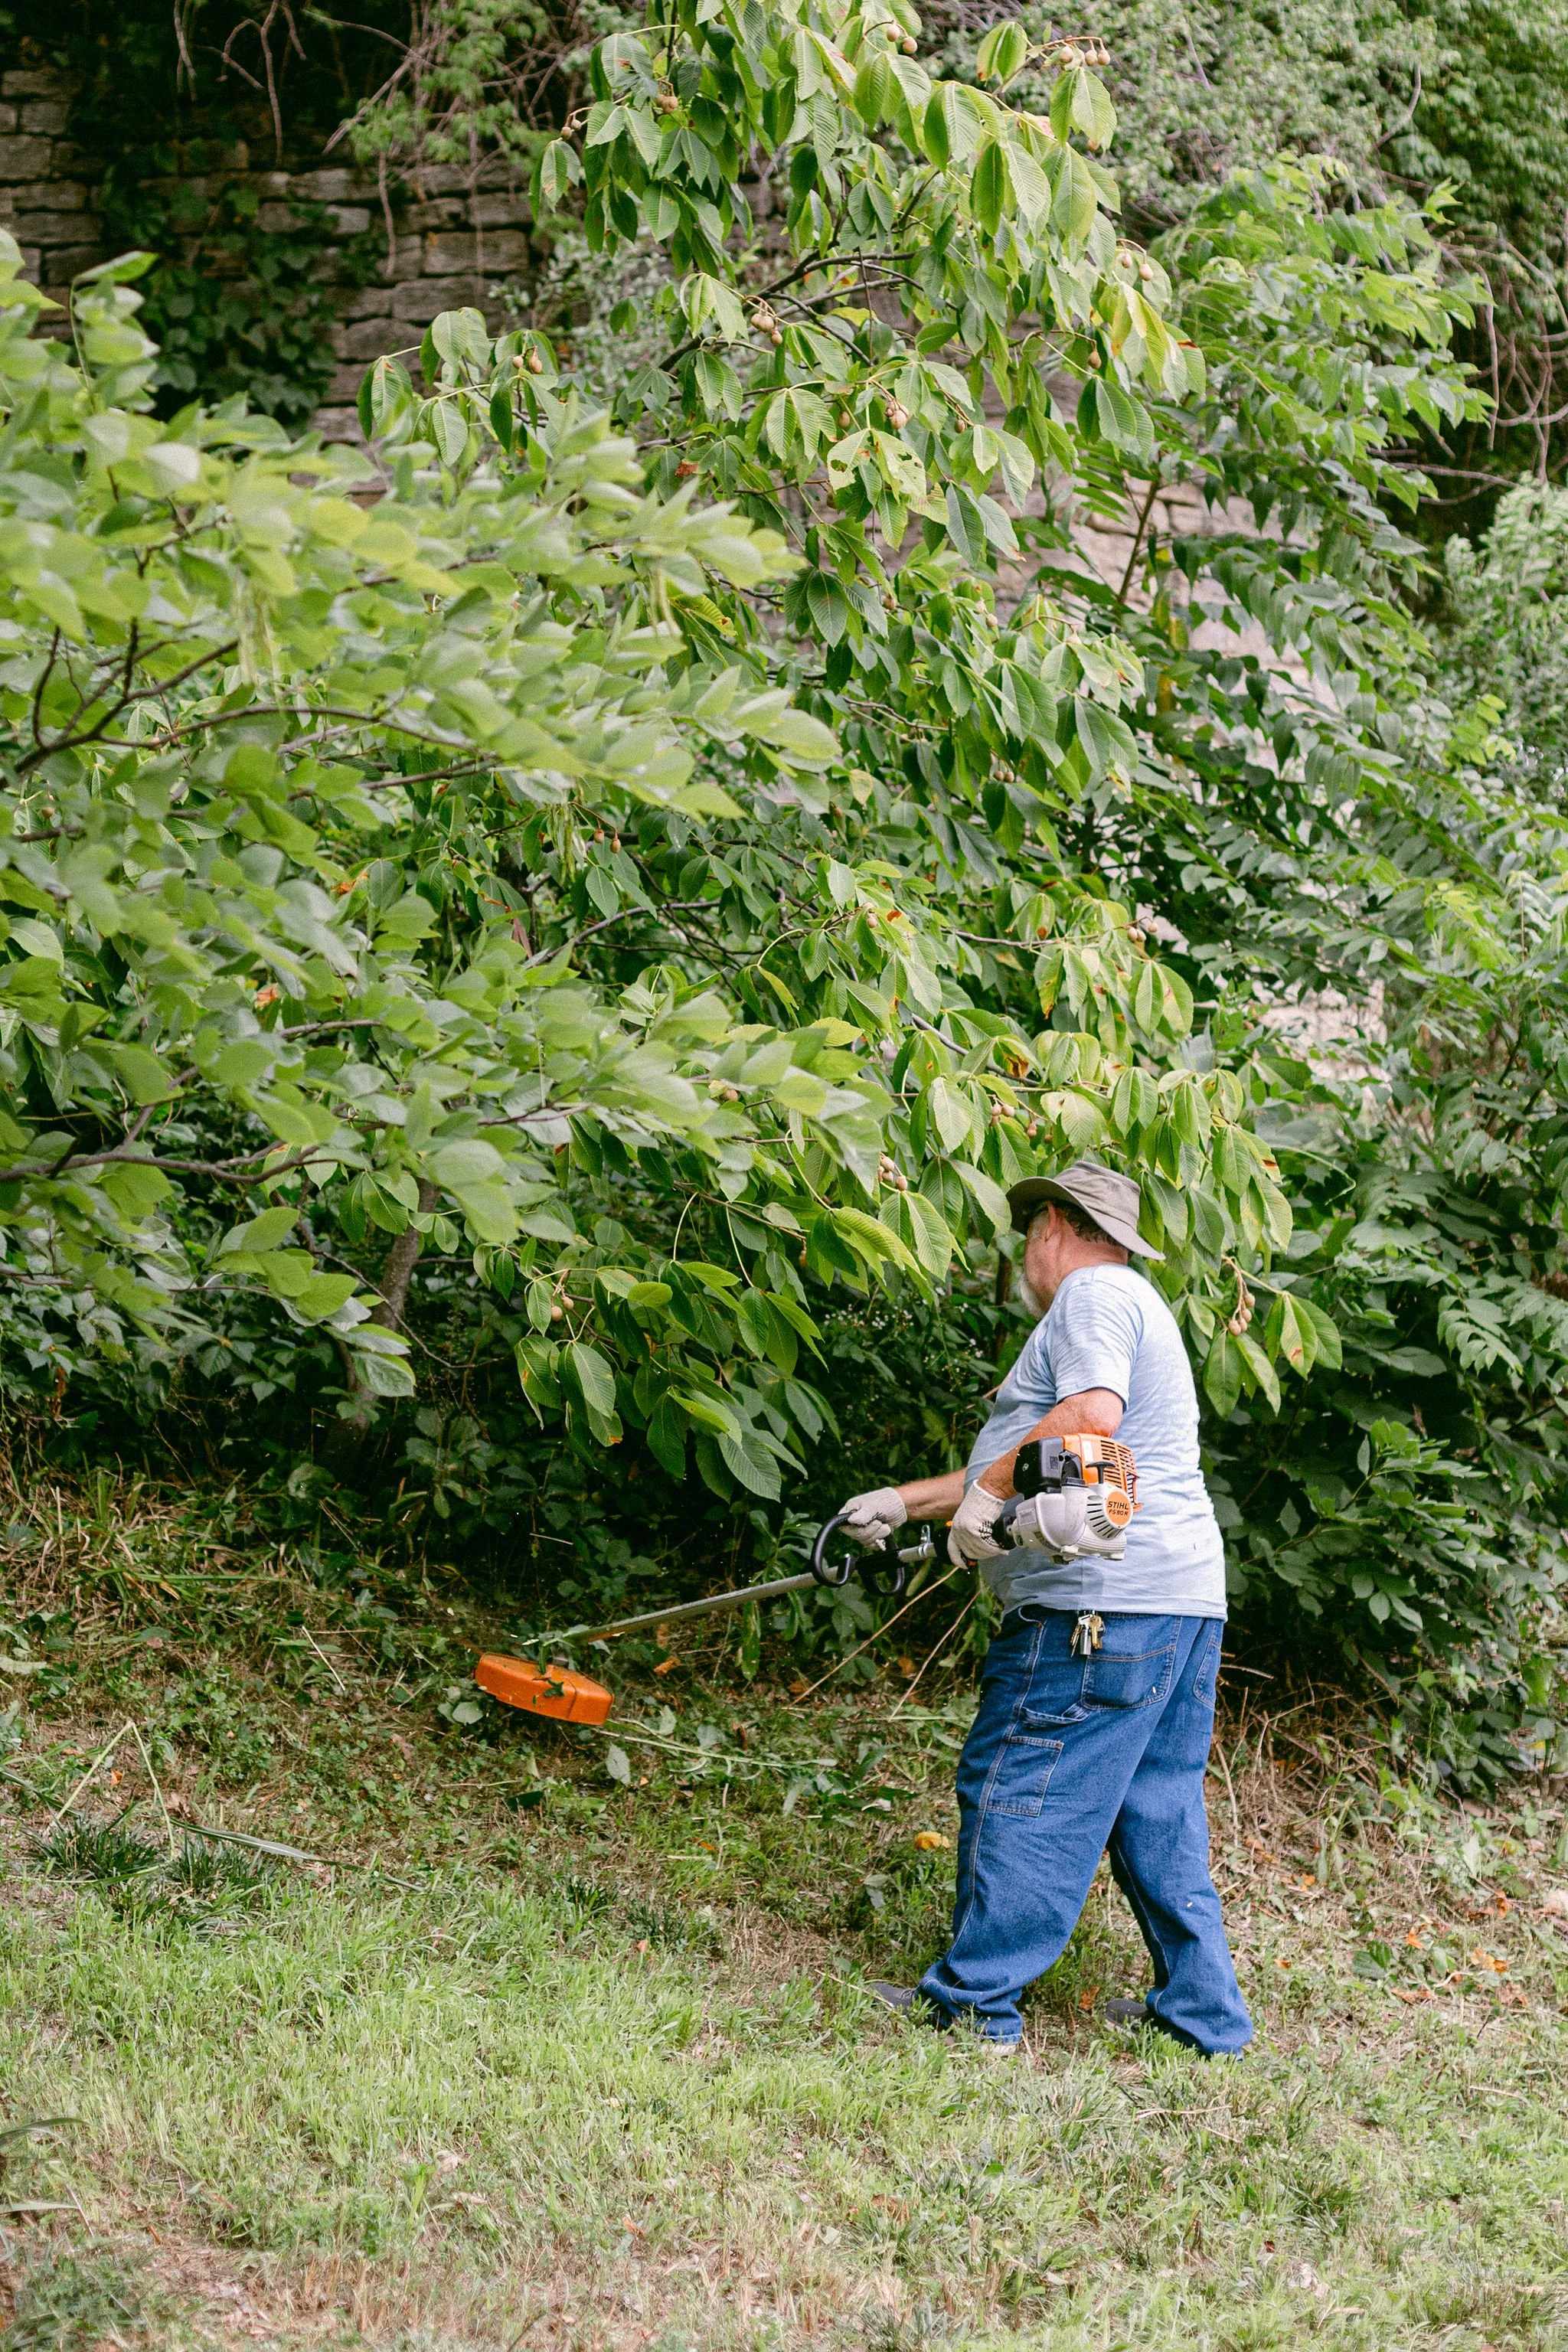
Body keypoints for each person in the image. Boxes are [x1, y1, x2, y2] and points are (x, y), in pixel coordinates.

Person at [837, 1157, 1252, 2057]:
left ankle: (972, 2007)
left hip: (1096, 1613)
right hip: (1177, 1605)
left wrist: (986, 1499)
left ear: (1050, 1227)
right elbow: (1043, 1457)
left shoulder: (1092, 1296)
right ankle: (1202, 2017)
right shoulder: (1137, 1301)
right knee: (1156, 1806)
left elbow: (1087, 1416)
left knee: (1021, 1785)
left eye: (1027, 1235)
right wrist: (905, 1504)